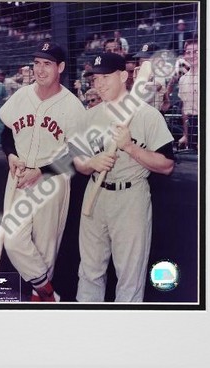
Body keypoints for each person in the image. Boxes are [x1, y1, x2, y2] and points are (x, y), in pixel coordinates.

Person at [72, 52, 175, 302]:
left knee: (130, 276)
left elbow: (166, 165)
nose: (99, 83)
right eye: (95, 78)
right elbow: (76, 159)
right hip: (95, 196)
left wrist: (130, 147)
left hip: (130, 198)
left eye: (106, 77)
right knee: (89, 271)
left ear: (124, 76)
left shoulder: (148, 115)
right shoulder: (90, 116)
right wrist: (90, 164)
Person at [0, 41, 86, 302]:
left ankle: (40, 298)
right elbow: (6, 133)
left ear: (60, 67)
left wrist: (43, 171)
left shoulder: (72, 105)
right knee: (13, 239)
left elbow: (78, 154)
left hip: (52, 180)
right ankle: (48, 293)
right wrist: (11, 155)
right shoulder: (22, 95)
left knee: (46, 249)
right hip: (21, 176)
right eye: (36, 63)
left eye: (47, 63)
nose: (40, 69)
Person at [176, 38, 199, 150]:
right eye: (188, 52)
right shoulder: (183, 79)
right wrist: (186, 134)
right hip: (191, 126)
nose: (192, 55)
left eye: (196, 51)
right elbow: (185, 110)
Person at [133, 42, 168, 112]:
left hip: (154, 115)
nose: (143, 62)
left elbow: (146, 97)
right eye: (141, 59)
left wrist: (137, 81)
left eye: (147, 59)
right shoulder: (142, 74)